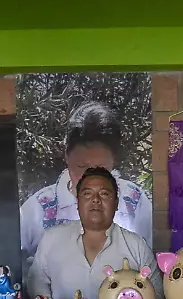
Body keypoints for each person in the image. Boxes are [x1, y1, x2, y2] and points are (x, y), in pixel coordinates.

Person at [19, 101, 152, 258]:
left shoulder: (133, 202)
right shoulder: (38, 209)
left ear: (113, 160)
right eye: (81, 166)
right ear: (66, 156)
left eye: (102, 168)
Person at [28, 166, 162, 299]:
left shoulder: (137, 246)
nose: (96, 200)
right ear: (77, 202)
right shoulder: (52, 239)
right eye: (87, 194)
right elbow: (37, 284)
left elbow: (157, 295)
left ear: (116, 203)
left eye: (104, 194)